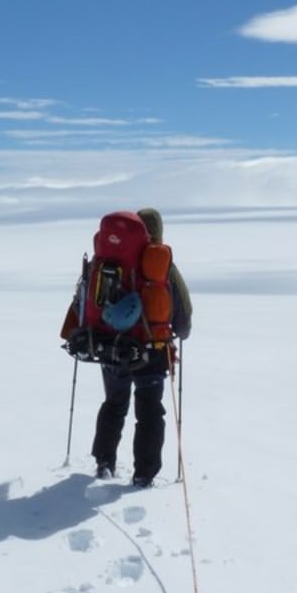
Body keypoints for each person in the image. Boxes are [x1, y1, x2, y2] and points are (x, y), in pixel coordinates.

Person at [87, 207, 192, 488]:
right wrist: (180, 331)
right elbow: (183, 313)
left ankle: (104, 462)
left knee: (114, 403)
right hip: (151, 348)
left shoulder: (108, 259)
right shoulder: (161, 263)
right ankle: (144, 474)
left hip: (110, 344)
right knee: (149, 411)